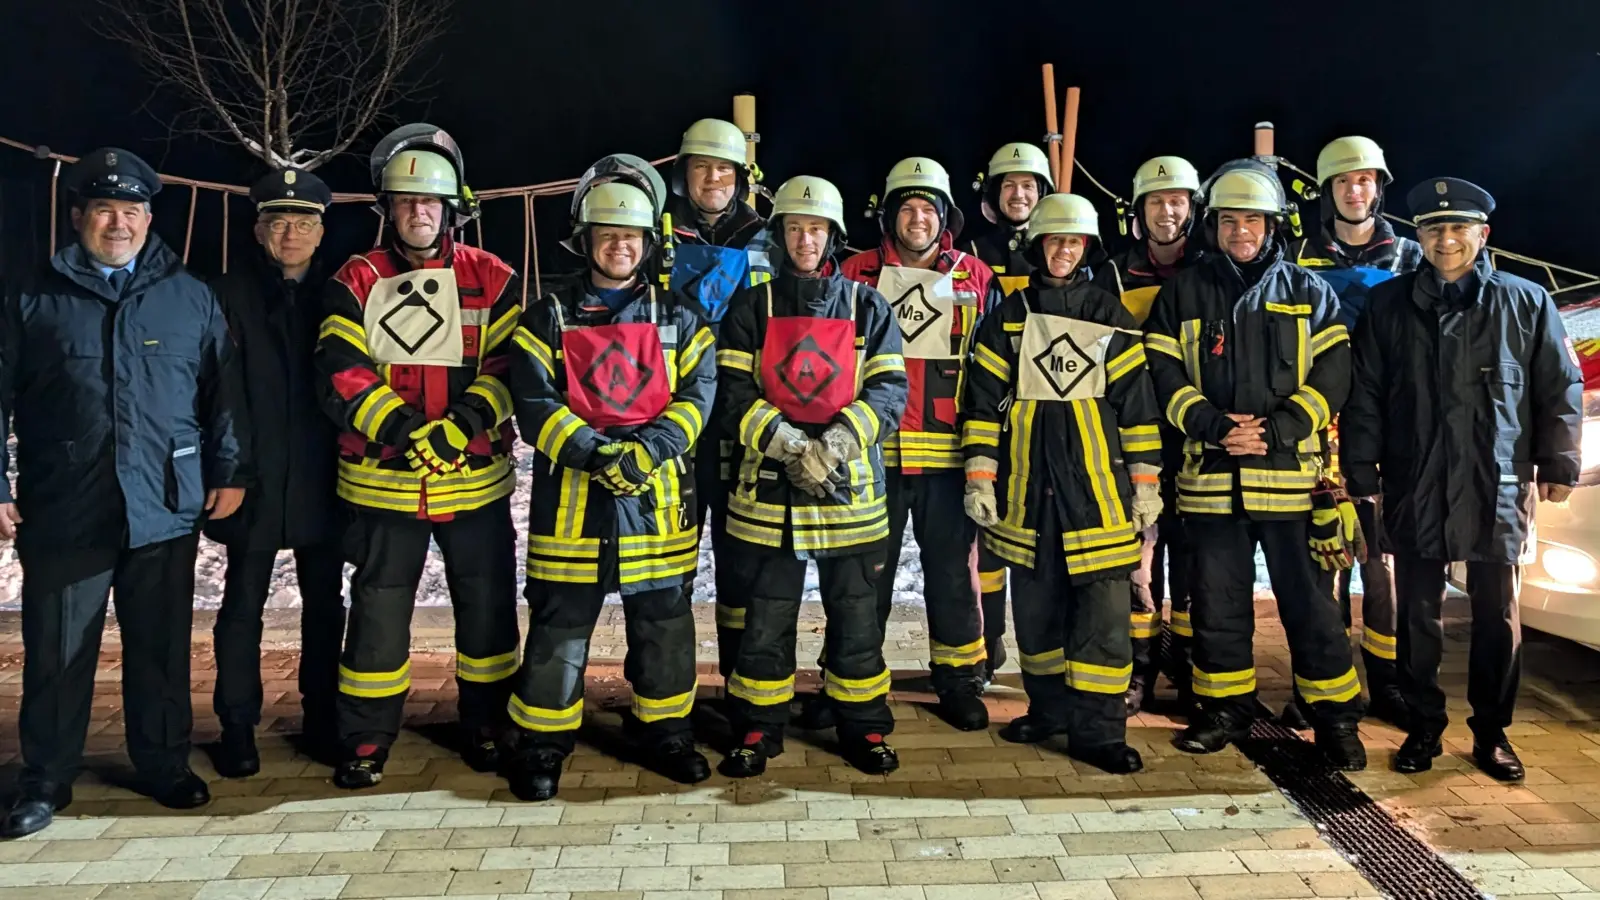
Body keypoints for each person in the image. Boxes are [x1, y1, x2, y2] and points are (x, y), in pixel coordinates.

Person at [0, 148, 247, 838]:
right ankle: (45, 778)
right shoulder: (30, 291)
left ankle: (164, 763)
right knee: (56, 650)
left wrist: (229, 471)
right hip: (65, 502)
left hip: (163, 505)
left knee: (161, 646)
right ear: (78, 215)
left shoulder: (187, 293)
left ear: (148, 217)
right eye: (105, 209)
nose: (119, 223)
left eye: (132, 210)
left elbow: (221, 393)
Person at [1342, 178, 1582, 781]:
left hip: (1495, 481)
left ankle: (1493, 733)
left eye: (1458, 228)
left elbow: (1559, 386)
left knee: (1497, 612)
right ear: (1418, 235)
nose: (1446, 240)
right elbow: (1367, 394)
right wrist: (1360, 468)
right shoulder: (1390, 305)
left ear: (1483, 234)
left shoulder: (1526, 302)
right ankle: (1423, 727)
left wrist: (1559, 462)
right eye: (1433, 229)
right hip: (1415, 478)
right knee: (1416, 612)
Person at [315, 124, 522, 788]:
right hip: (385, 485)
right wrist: (409, 431)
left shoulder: (494, 279)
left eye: (430, 202)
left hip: (474, 484)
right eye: (405, 202)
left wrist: (459, 427)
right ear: (387, 207)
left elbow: (510, 366)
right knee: (376, 614)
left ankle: (488, 724)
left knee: (487, 608)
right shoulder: (356, 279)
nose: (418, 213)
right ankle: (366, 739)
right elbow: (340, 373)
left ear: (452, 208)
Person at [1143, 160, 1366, 770]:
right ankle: (1225, 710)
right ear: (1213, 225)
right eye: (1230, 220)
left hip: (1294, 482)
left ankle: (1335, 721)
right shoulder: (1182, 292)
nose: (1241, 230)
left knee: (1313, 608)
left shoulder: (1309, 291)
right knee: (1218, 604)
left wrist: (1277, 429)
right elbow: (1162, 373)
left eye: (1254, 220)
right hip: (1212, 480)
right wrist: (1216, 427)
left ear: (1273, 226)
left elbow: (1335, 373)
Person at [505, 181, 716, 800]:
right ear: (586, 241)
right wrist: (594, 454)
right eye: (607, 234)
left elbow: (698, 396)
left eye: (630, 236)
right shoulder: (547, 314)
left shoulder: (681, 315)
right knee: (560, 621)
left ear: (648, 243)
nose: (619, 246)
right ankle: (542, 742)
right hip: (576, 499)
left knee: (664, 618)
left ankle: (668, 730)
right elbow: (534, 401)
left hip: (656, 498)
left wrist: (648, 451)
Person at [715, 175, 908, 777]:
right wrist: (792, 445)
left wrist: (834, 446)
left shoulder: (869, 307)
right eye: (795, 227)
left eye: (817, 228)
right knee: (765, 618)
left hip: (849, 493)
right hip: (770, 493)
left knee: (855, 617)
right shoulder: (751, 308)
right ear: (780, 235)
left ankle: (864, 726)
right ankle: (757, 726)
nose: (805, 238)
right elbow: (732, 391)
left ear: (834, 236)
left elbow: (888, 391)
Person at [963, 192, 1160, 773]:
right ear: (1037, 246)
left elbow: (1138, 408)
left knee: (1103, 618)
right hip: (1027, 494)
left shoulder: (1109, 314)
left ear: (1087, 248)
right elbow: (982, 407)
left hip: (1097, 495)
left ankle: (1099, 733)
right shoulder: (1009, 317)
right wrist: (981, 479)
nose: (1063, 251)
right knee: (1037, 614)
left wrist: (1145, 484)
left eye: (1073, 242)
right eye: (1053, 241)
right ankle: (1048, 710)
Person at [840, 157, 999, 730]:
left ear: (944, 217)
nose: (916, 218)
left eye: (927, 208)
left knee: (953, 574)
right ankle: (857, 681)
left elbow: (993, 366)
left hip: (950, 456)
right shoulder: (853, 274)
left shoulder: (976, 277)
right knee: (866, 573)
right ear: (888, 216)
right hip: (872, 457)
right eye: (905, 207)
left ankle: (958, 681)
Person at [204, 169, 347, 777]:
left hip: (323, 474)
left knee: (325, 603)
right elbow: (213, 390)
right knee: (241, 604)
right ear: (258, 228)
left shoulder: (344, 293)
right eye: (280, 221)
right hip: (253, 476)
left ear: (322, 231)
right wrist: (227, 467)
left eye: (305, 222)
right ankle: (237, 724)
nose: (292, 234)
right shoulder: (224, 293)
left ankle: (322, 719)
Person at [1288, 137, 1423, 726]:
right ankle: (1322, 680)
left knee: (1382, 561)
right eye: (1343, 182)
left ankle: (1388, 681)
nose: (1354, 190)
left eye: (1364, 180)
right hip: (1318, 429)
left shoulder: (1411, 257)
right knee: (1324, 558)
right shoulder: (1296, 253)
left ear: (1379, 187)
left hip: (1387, 429)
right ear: (1328, 191)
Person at [1092, 156, 1205, 715]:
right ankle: (1138, 671)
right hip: (1132, 438)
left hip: (1195, 438)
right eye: (1157, 202)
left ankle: (1185, 667)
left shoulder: (1209, 273)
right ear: (1139, 212)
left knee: (1191, 561)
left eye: (1177, 201)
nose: (1168, 211)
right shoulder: (1111, 275)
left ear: (1191, 208)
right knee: (1140, 560)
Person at [664, 119, 774, 677]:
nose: (713, 178)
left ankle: (741, 687)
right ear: (684, 174)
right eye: (702, 167)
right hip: (668, 423)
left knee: (741, 567)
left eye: (724, 169)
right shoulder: (652, 231)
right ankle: (667, 693)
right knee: (668, 568)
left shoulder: (764, 238)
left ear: (740, 177)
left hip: (738, 425)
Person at [966, 142, 1054, 679]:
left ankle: (1048, 651)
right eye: (1009, 186)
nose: (1019, 195)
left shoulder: (1064, 247)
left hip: (1050, 412)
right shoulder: (971, 251)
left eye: (1029, 185)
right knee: (987, 535)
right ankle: (987, 642)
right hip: (991, 402)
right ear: (994, 195)